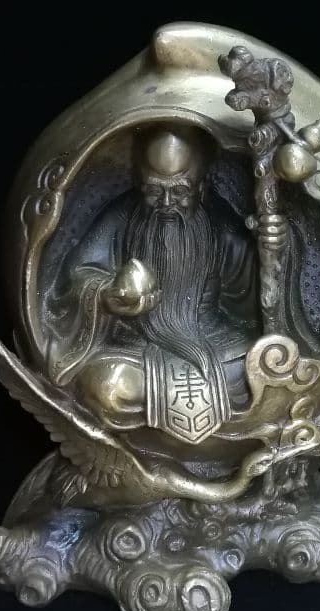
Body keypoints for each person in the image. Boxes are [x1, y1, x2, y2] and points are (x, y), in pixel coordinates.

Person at [45, 127, 260, 443]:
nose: (167, 202)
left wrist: (278, 251)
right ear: (139, 182)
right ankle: (155, 443)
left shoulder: (221, 227)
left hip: (215, 344)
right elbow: (77, 277)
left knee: (260, 374)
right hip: (135, 347)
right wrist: (107, 295)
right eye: (154, 191)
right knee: (106, 387)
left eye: (180, 190)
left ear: (202, 187)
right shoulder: (120, 218)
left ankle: (205, 443)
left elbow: (252, 300)